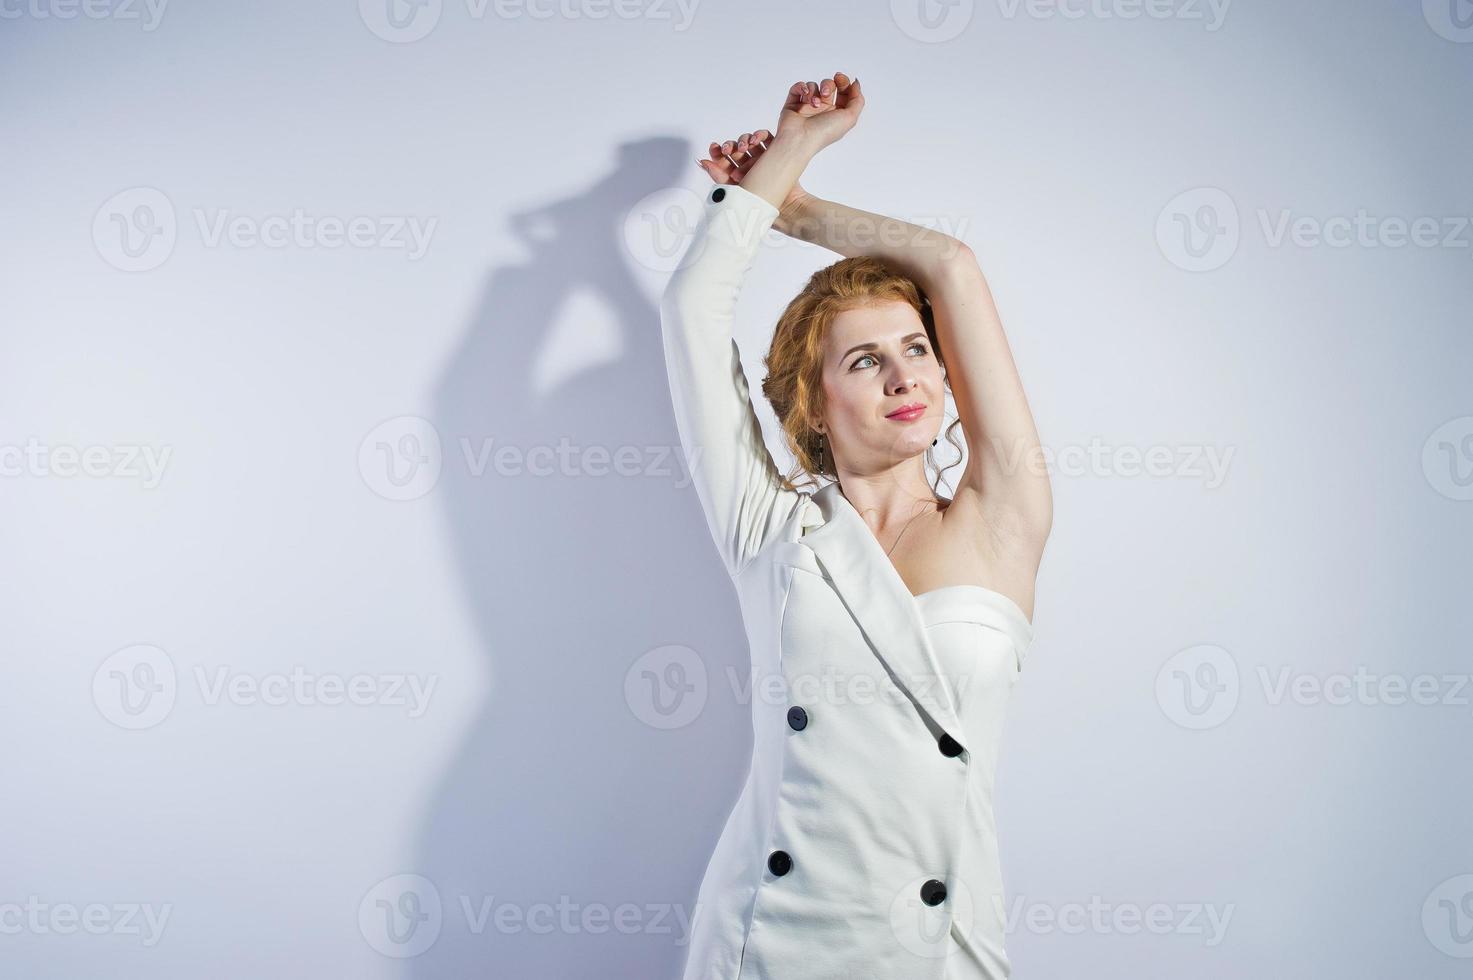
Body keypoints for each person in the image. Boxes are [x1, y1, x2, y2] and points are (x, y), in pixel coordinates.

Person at [660, 71, 1052, 980]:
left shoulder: (1004, 517)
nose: (904, 377)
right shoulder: (770, 529)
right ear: (814, 400)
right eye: (866, 360)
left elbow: (950, 265)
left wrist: (797, 207)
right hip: (768, 940)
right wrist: (784, 148)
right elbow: (690, 311)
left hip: (942, 949)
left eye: (917, 350)